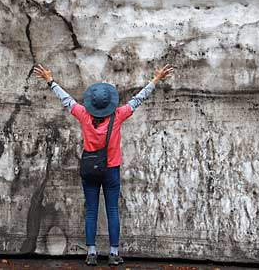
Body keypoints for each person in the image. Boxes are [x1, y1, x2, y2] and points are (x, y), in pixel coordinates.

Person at [33, 63, 175, 266]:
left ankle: (91, 253)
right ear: (109, 103)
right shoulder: (117, 116)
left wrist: (50, 81)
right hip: (111, 170)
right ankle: (113, 253)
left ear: (92, 103)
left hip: (90, 170)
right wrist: (156, 79)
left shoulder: (83, 115)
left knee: (91, 210)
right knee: (112, 211)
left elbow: (66, 100)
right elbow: (138, 99)